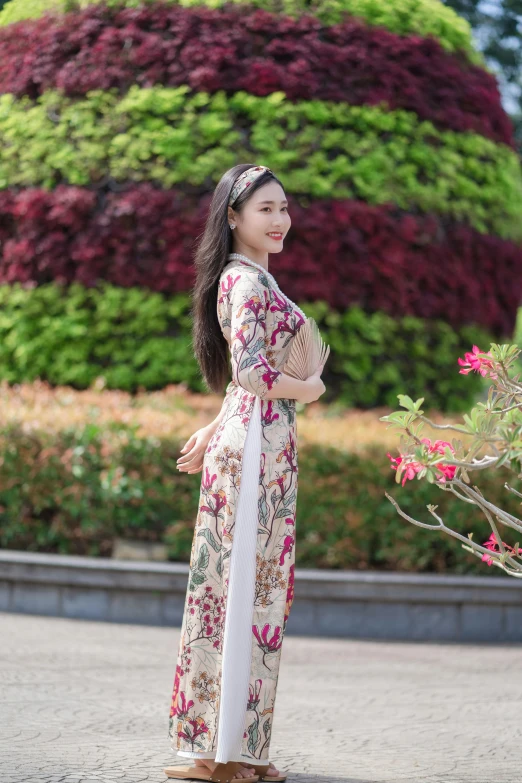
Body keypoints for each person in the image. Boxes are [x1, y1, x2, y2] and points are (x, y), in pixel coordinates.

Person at [164, 164, 326, 783]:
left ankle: (233, 748)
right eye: (266, 209)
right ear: (233, 217)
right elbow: (258, 375)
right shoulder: (248, 283)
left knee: (244, 593)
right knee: (245, 593)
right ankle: (224, 754)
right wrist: (307, 388)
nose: (281, 219)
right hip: (257, 450)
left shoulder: (250, 279)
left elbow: (241, 379)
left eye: (284, 207)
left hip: (256, 442)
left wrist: (214, 428)